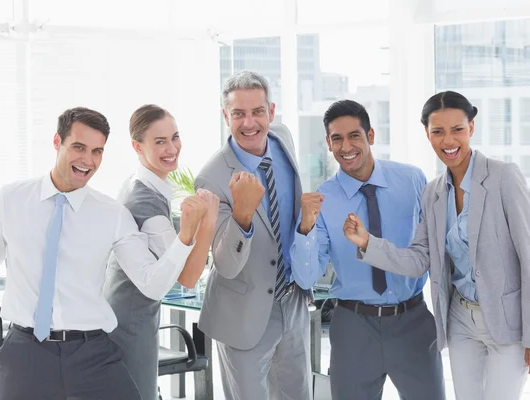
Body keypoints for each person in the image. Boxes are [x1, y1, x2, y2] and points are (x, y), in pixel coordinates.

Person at [0, 107, 207, 400]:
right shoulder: (11, 199)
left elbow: (152, 283)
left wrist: (186, 236)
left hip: (92, 354)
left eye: (97, 151)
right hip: (26, 351)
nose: (88, 160)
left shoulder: (112, 214)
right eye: (79, 147)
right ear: (56, 142)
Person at [344, 90, 530, 400]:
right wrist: (367, 243)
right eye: (438, 132)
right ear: (427, 134)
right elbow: (420, 259)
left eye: (457, 129)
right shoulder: (432, 193)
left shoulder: (503, 177)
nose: (448, 141)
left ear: (471, 127)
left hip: (507, 320)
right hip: (460, 320)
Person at [290, 99, 446, 400]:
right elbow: (307, 277)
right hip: (353, 327)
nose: (346, 146)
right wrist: (305, 228)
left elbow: (432, 250)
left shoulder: (412, 180)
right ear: (328, 143)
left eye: (354, 136)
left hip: (412, 320)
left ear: (371, 136)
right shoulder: (322, 200)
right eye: (337, 139)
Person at [194, 70, 315, 400]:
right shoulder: (212, 179)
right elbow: (225, 264)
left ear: (271, 112)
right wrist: (242, 215)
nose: (250, 123)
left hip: (291, 302)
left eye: (257, 112)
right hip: (242, 311)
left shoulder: (282, 139)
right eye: (238, 114)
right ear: (225, 116)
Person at [103, 104, 219, 400]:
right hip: (131, 324)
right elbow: (188, 278)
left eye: (175, 137)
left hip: (126, 317)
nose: (172, 148)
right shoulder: (146, 203)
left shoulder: (140, 184)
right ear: (137, 147)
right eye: (159, 141)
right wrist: (208, 223)